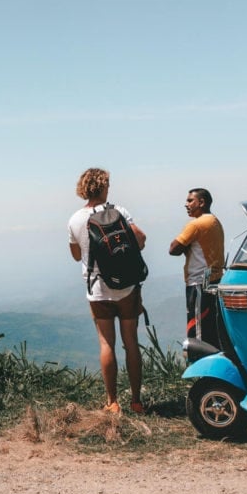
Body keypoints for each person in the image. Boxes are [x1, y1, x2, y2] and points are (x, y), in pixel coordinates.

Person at [67, 168, 146, 414]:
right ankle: (136, 401)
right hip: (127, 288)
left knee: (106, 344)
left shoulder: (75, 219)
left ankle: (112, 402)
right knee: (131, 342)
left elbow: (76, 255)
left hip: (98, 289)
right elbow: (141, 240)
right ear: (103, 186)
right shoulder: (119, 211)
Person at [169, 188, 227, 347]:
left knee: (198, 334)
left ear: (201, 202)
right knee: (211, 331)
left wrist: (185, 248)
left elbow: (173, 249)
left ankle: (201, 367)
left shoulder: (196, 224)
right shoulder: (214, 221)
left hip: (199, 284)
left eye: (190, 201)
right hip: (214, 281)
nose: (186, 204)